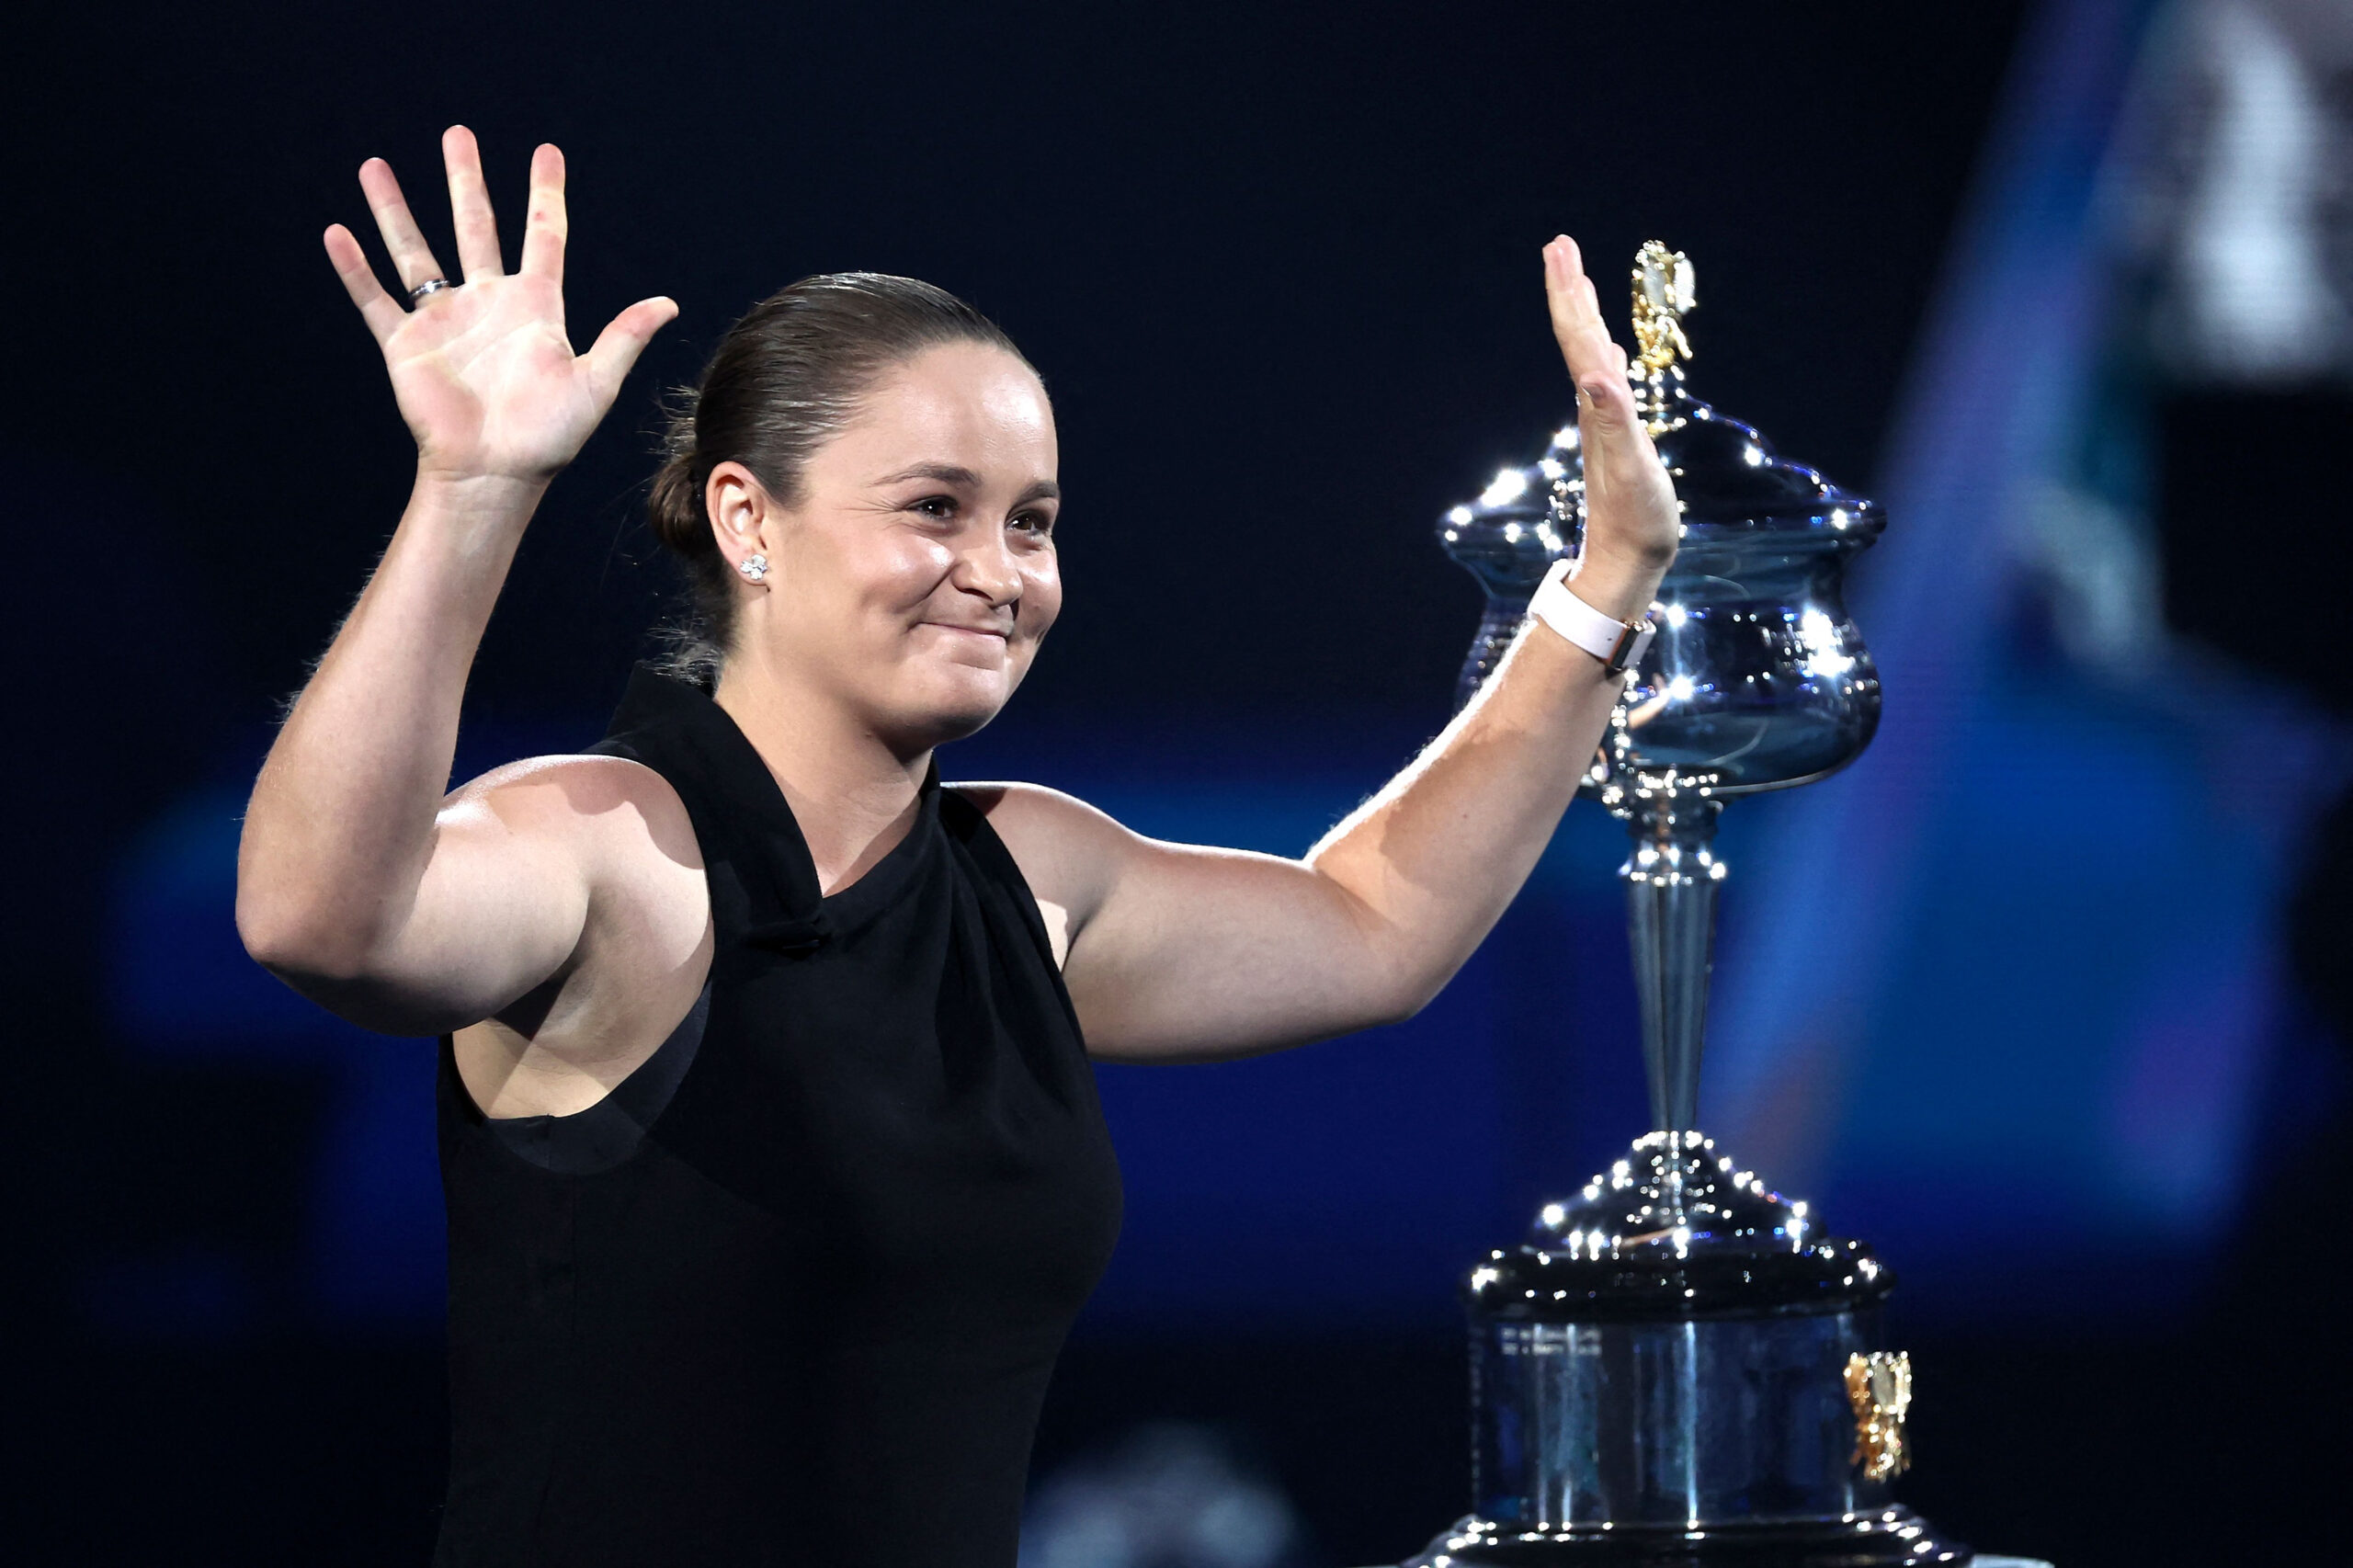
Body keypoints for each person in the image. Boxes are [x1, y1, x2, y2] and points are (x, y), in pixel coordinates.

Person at [234, 127, 1679, 1568]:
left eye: (1032, 522)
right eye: (934, 508)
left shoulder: (1029, 880)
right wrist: (474, 489)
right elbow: (319, 913)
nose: (998, 573)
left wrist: (1607, 580)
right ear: (748, 518)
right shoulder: (613, 842)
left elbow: (1376, 925)